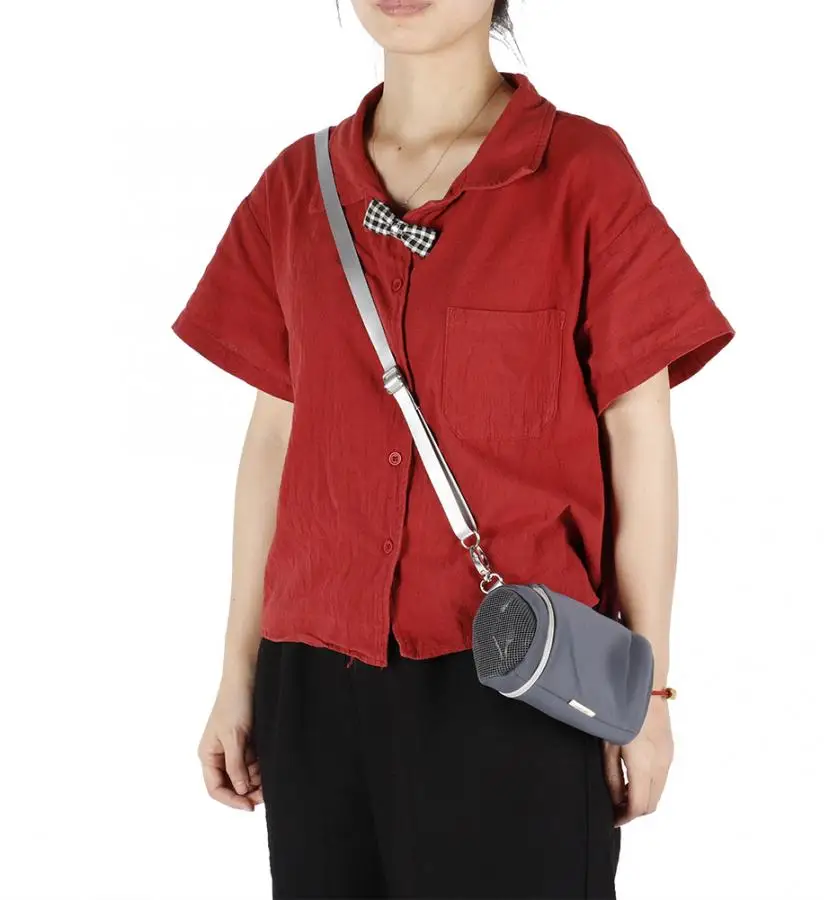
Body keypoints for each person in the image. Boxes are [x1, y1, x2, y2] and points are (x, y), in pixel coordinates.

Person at [171, 1, 735, 896]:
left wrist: (649, 693)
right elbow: (275, 438)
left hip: (522, 681)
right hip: (313, 684)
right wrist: (237, 674)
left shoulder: (581, 174)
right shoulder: (296, 187)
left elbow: (641, 434)